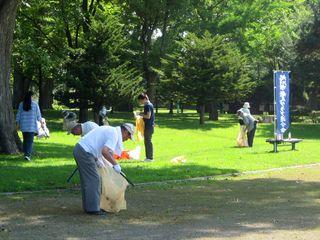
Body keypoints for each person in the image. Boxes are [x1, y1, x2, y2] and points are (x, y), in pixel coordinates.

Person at [73, 123, 134, 215]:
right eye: (129, 135)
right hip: (84, 152)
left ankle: (89, 207)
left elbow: (98, 146)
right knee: (94, 180)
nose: (128, 138)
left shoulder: (112, 131)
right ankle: (93, 209)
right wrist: (115, 165)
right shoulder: (114, 134)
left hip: (83, 150)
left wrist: (98, 159)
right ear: (125, 131)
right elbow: (105, 151)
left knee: (89, 180)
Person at [16, 91, 43, 161]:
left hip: (23, 126)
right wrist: (42, 124)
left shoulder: (21, 104)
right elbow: (38, 116)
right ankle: (27, 155)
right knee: (30, 141)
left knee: (25, 140)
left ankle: (25, 154)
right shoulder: (35, 104)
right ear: (31, 97)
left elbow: (18, 115)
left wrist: (18, 124)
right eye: (33, 96)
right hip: (31, 126)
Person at [137, 93, 155, 162]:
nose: (140, 102)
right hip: (150, 126)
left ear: (144, 99)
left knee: (148, 141)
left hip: (148, 126)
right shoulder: (149, 104)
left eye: (140, 101)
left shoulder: (147, 105)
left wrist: (139, 114)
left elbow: (148, 116)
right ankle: (149, 157)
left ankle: (149, 158)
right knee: (147, 141)